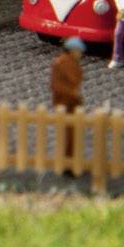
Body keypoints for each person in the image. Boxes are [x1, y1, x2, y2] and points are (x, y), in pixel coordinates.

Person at [50, 36, 86, 174]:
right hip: (64, 103)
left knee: (73, 135)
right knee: (66, 135)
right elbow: (56, 85)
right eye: (78, 51)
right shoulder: (60, 63)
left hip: (73, 103)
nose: (80, 54)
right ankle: (66, 164)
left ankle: (71, 162)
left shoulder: (73, 63)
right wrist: (72, 93)